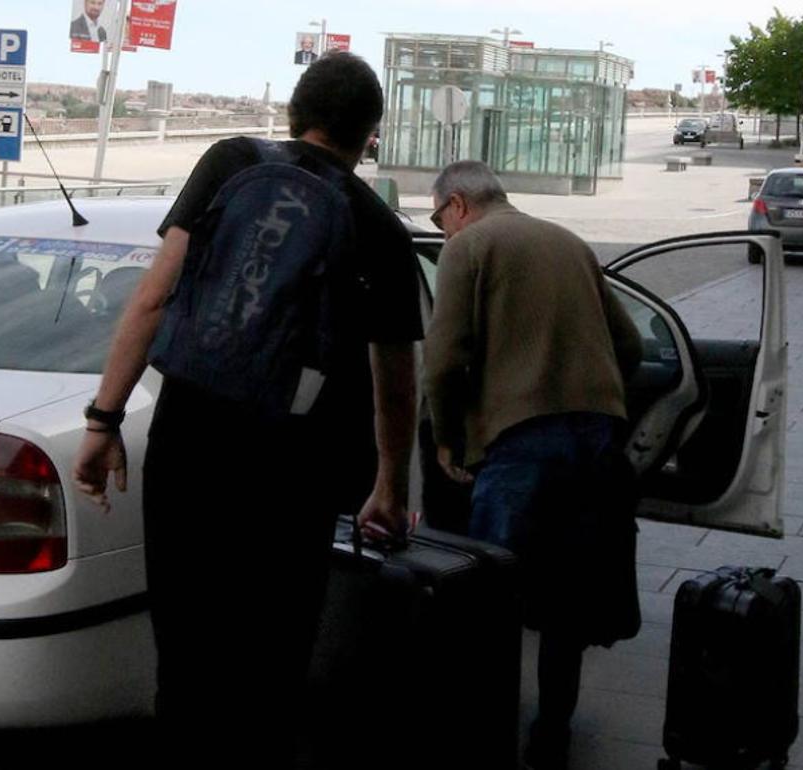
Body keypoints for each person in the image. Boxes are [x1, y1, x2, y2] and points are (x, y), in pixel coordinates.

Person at [72, 52, 421, 768]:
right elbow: (395, 377)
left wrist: (103, 421)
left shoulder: (232, 161)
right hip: (296, 466)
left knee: (186, 644)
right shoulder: (381, 229)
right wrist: (391, 481)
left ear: (295, 113)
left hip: (190, 440)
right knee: (272, 655)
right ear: (370, 135)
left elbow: (153, 295)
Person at [423, 160, 643, 770]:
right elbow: (628, 344)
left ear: (459, 204)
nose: (441, 231)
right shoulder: (571, 244)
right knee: (567, 602)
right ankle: (551, 733)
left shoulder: (469, 248)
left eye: (439, 217)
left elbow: (442, 359)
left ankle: (482, 730)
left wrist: (448, 439)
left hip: (519, 445)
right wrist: (600, 401)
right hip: (596, 444)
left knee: (493, 598)